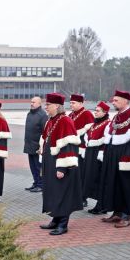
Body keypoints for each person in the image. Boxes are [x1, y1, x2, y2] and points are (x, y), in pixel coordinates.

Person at [100, 90, 130, 227]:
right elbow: (111, 137)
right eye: (113, 100)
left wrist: (129, 159)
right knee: (114, 185)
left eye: (116, 100)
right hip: (114, 156)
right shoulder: (117, 116)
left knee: (126, 186)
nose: (113, 102)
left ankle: (126, 216)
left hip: (126, 158)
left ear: (125, 101)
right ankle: (117, 213)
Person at [39, 93, 83, 235]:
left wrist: (62, 168)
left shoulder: (65, 121)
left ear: (57, 106)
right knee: (53, 193)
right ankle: (55, 220)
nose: (45, 107)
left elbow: (69, 147)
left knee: (62, 194)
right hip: (50, 163)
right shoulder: (51, 120)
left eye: (48, 105)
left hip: (60, 165)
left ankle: (63, 224)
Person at [81, 101, 111, 214]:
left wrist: (101, 153)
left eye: (98, 111)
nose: (95, 112)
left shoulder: (108, 123)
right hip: (90, 153)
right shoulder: (95, 123)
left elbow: (106, 140)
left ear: (105, 112)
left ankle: (101, 205)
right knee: (90, 178)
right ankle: (98, 204)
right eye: (95, 110)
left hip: (98, 155)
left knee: (99, 179)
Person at [68, 94, 94, 207]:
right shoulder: (71, 115)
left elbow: (90, 132)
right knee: (72, 174)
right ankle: (73, 195)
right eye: (70, 102)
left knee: (81, 174)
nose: (71, 105)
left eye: (73, 103)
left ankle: (83, 198)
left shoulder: (87, 114)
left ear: (81, 103)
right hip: (72, 149)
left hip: (82, 149)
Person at [24, 96, 48, 193]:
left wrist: (41, 146)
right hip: (29, 145)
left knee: (38, 167)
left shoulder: (43, 115)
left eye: (34, 102)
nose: (31, 103)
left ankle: (41, 184)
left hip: (38, 146)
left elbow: (44, 132)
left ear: (39, 103)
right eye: (31, 101)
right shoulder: (29, 114)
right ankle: (36, 182)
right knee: (32, 166)